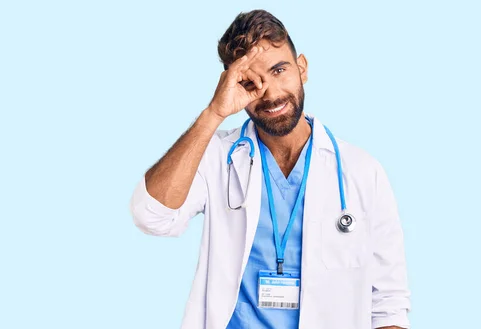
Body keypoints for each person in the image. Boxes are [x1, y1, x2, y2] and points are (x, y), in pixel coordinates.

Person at [129, 9, 411, 329]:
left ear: (302, 68)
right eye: (251, 81)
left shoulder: (361, 172)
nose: (271, 93)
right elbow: (151, 216)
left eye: (279, 70)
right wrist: (214, 113)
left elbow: (388, 302)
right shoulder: (216, 157)